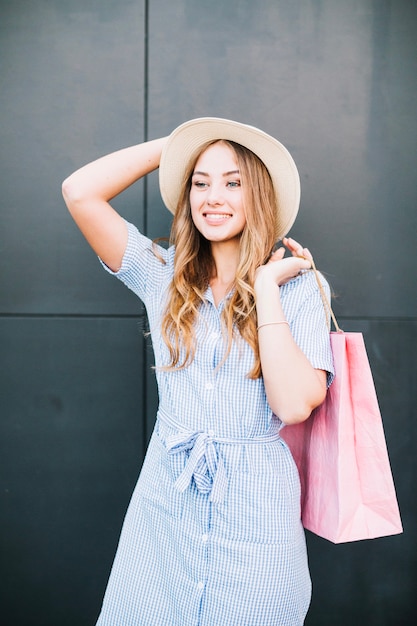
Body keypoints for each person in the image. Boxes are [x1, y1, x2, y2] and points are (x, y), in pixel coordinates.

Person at [62, 117, 334, 626]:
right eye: (200, 182)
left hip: (256, 522)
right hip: (164, 514)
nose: (214, 196)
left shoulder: (296, 289)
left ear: (259, 196)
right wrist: (182, 144)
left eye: (233, 182)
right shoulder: (162, 276)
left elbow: (294, 404)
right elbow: (80, 192)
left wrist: (268, 289)